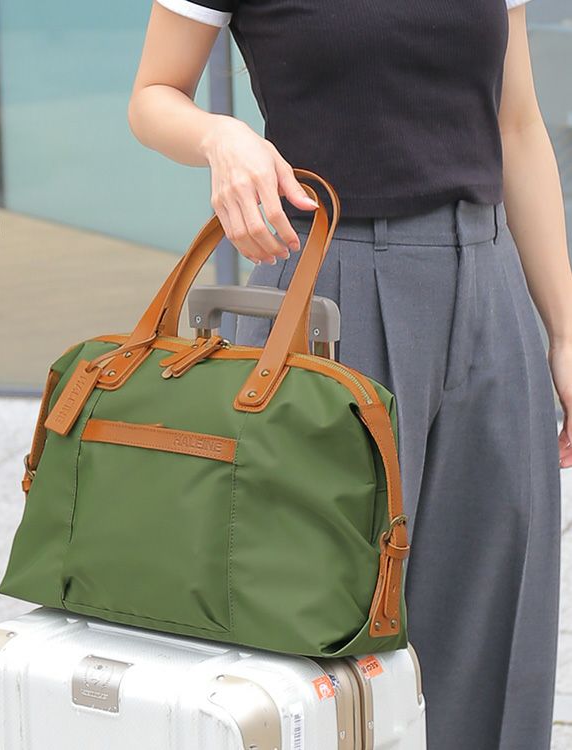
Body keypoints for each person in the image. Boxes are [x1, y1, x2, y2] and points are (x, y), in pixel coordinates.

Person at [127, 1, 572, 748]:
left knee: (494, 619)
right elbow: (153, 95)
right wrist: (220, 136)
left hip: (491, 287)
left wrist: (564, 331)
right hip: (326, 293)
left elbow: (518, 126)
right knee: (317, 627)